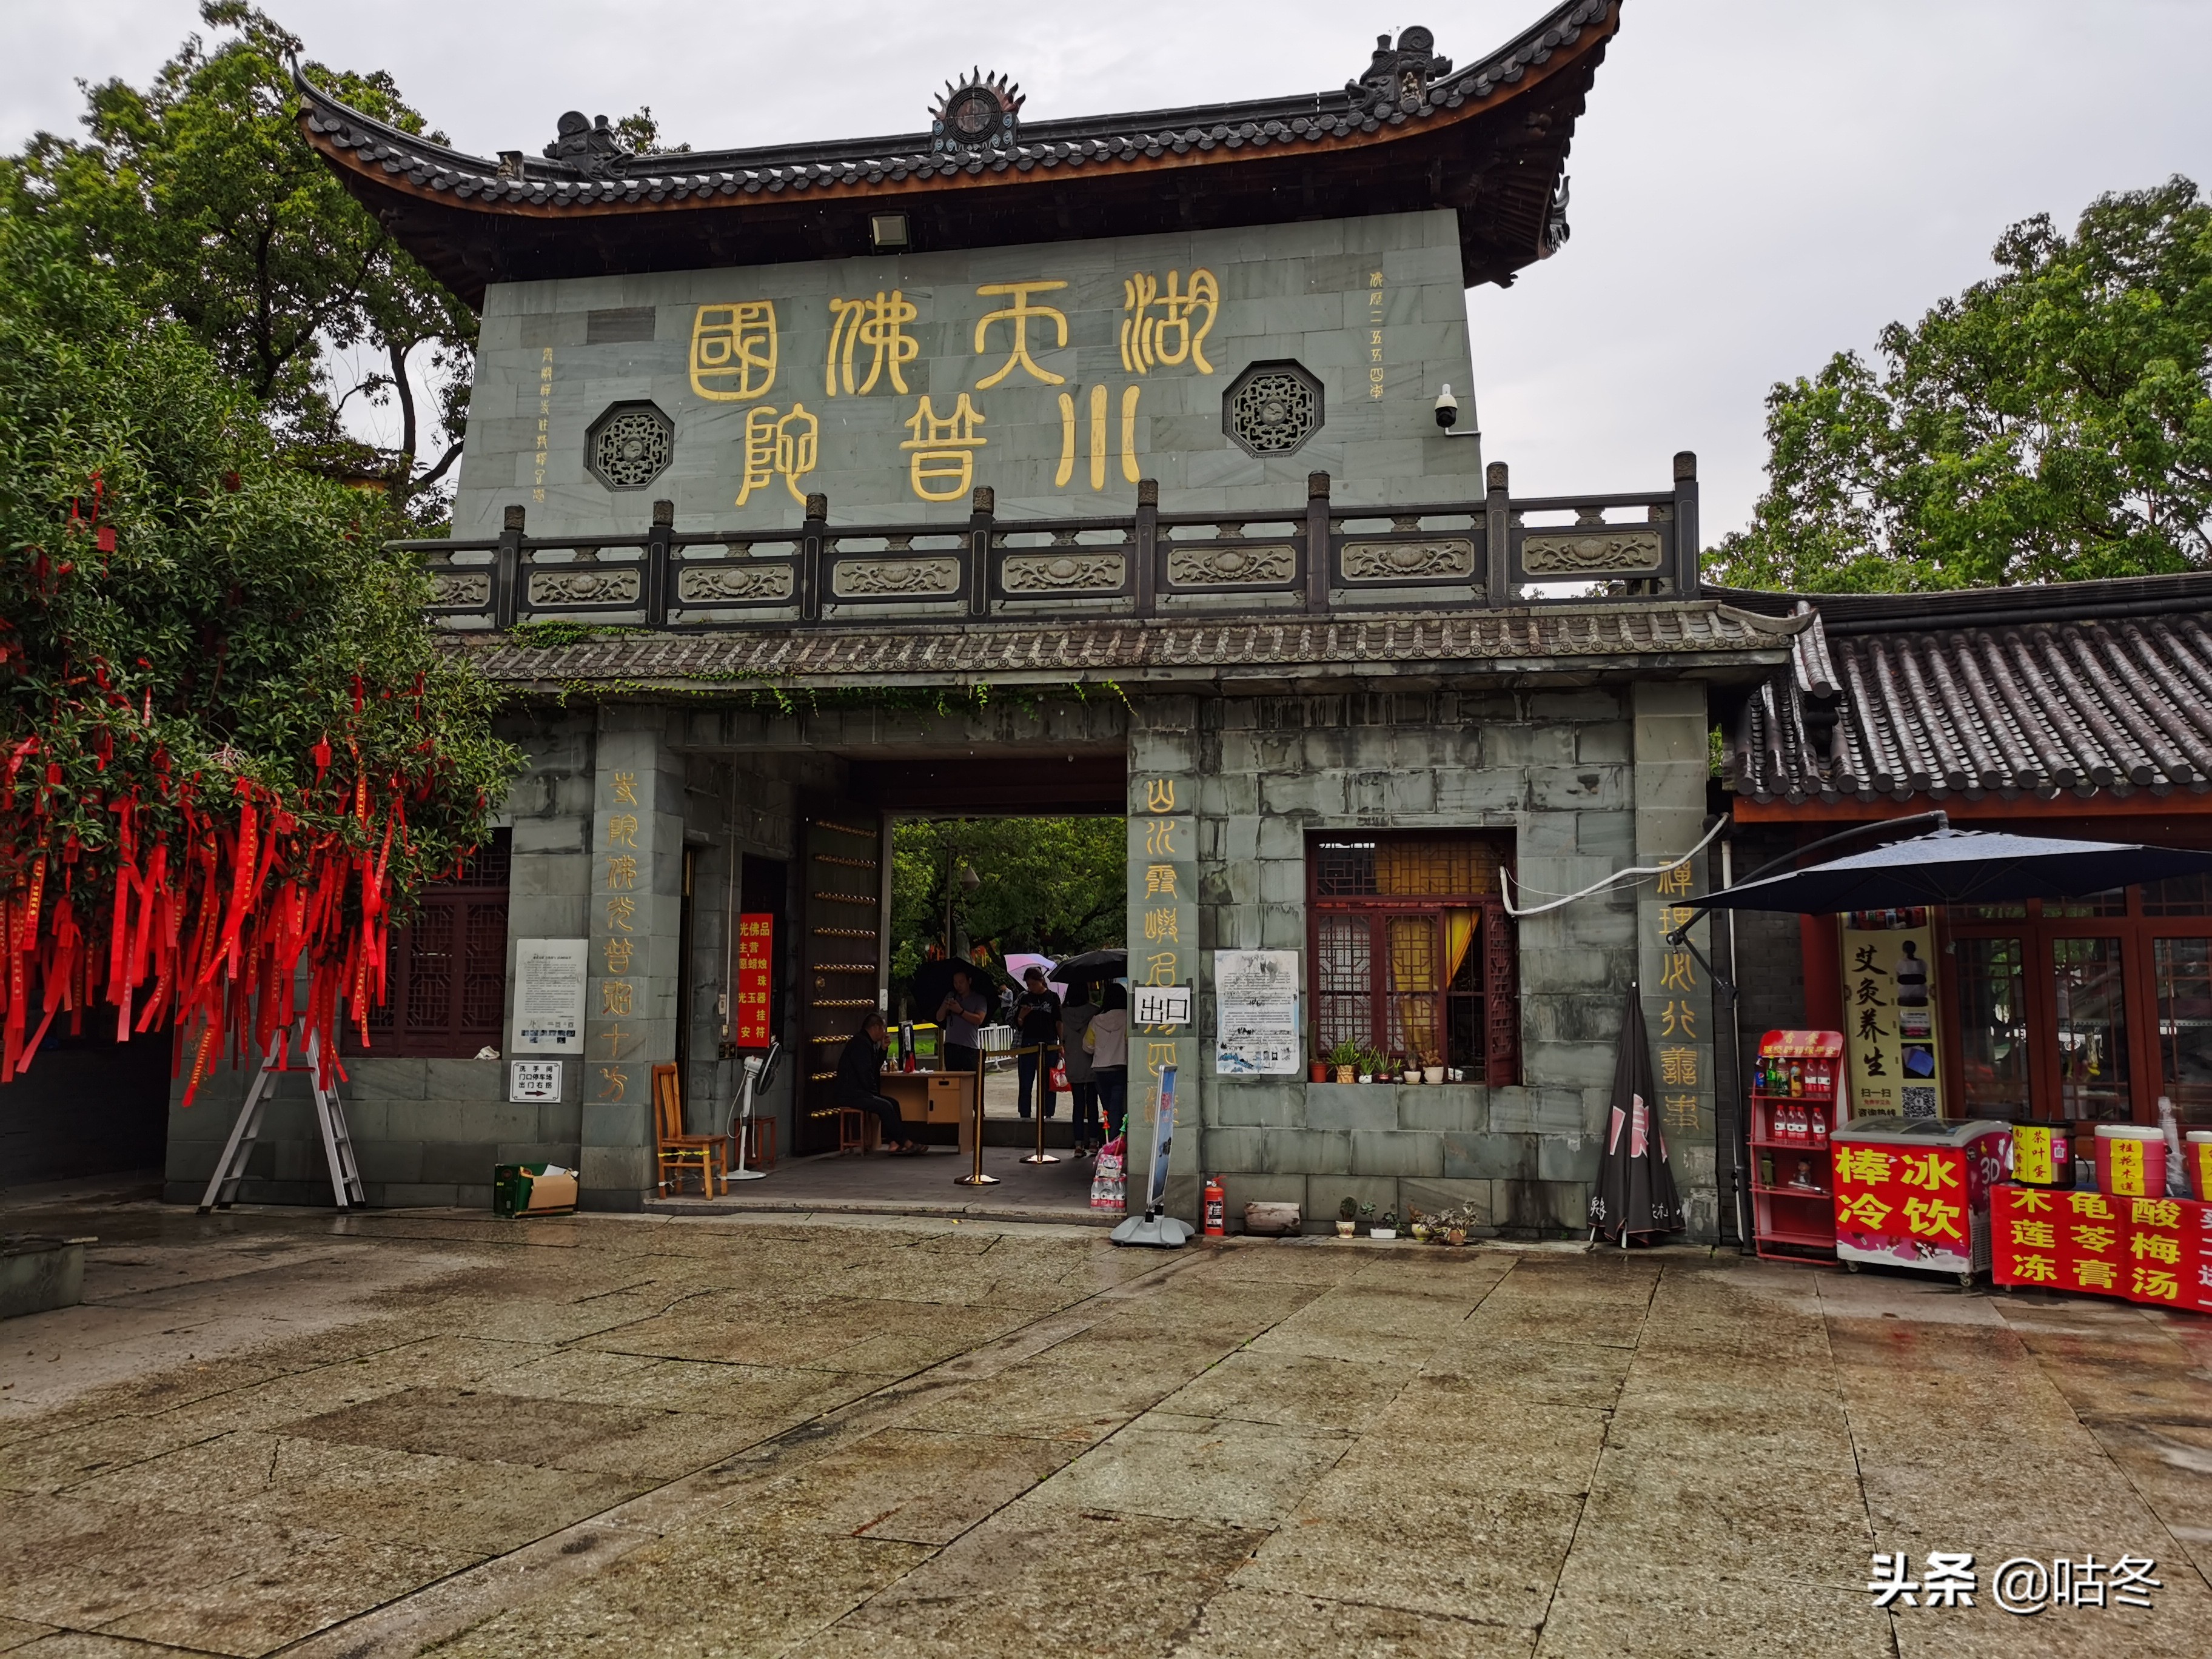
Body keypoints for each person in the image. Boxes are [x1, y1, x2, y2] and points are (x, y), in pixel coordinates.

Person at [835, 1013, 917, 1154]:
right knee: (884, 1106)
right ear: (876, 1028)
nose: (884, 1032)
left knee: (893, 1103)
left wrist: (883, 1050)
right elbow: (865, 1074)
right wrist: (874, 1094)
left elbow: (873, 1067)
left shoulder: (868, 1043)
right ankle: (905, 1142)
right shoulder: (860, 1044)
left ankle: (894, 1143)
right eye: (883, 1028)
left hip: (861, 1092)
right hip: (853, 1093)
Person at [1013, 966, 1063, 1121]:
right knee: (1026, 1080)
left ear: (1041, 981)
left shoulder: (1053, 997)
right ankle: (1025, 1113)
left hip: (1049, 1042)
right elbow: (1017, 1022)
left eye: (1033, 984)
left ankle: (1048, 1112)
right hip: (1028, 1042)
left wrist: (1062, 1043)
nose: (1031, 988)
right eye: (1028, 985)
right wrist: (1022, 1016)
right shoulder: (1025, 997)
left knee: (1048, 1081)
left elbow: (1058, 1021)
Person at [1085, 981, 1130, 1142]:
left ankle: (1110, 1142)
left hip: (1100, 1070)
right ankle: (1115, 1144)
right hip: (1119, 1068)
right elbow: (1129, 1042)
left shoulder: (1096, 1020)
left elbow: (1088, 1046)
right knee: (1117, 1108)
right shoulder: (1128, 1018)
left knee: (1108, 1109)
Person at [1061, 979, 1100, 1156]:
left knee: (1078, 1104)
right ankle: (1093, 1142)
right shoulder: (1095, 1011)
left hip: (1074, 1063)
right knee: (1092, 1103)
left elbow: (1062, 1038)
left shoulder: (1063, 1014)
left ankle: (1078, 1145)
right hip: (1092, 1062)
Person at [936, 965, 990, 1072]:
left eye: (961, 982)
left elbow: (979, 1019)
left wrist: (960, 1011)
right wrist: (945, 1007)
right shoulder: (951, 995)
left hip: (969, 1047)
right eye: (955, 983)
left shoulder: (979, 999)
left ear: (969, 981)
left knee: (970, 1082)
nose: (958, 986)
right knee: (953, 1084)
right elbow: (939, 1018)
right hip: (951, 1046)